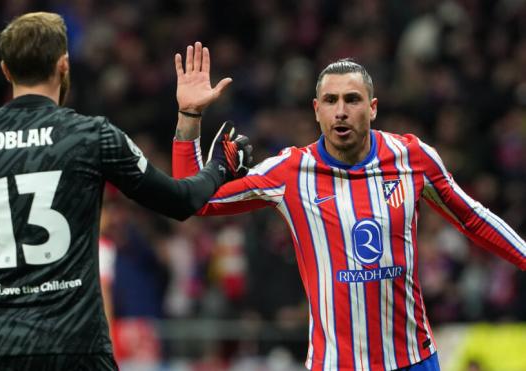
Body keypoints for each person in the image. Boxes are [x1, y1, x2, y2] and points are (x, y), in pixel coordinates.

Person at [0, 12, 250, 371]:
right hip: (77, 349)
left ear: (6, 70)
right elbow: (182, 201)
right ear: (64, 65)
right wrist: (221, 162)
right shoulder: (92, 137)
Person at [172, 46, 526, 371]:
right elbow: (193, 202)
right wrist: (190, 116)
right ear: (316, 109)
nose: (341, 111)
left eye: (352, 99)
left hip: (413, 361)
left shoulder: (412, 158)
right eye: (330, 100)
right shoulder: (289, 173)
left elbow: (474, 218)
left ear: (372, 107)